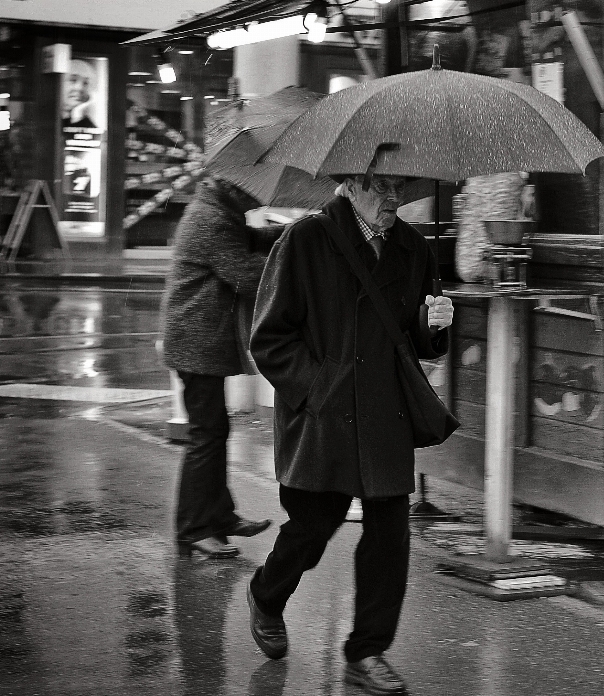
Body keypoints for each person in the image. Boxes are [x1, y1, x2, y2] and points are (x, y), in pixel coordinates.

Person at [245, 170, 454, 696]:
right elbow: (269, 338)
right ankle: (267, 595)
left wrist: (436, 327)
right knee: (315, 521)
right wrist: (316, 388)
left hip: (384, 410)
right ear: (350, 184)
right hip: (325, 412)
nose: (394, 197)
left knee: (390, 534)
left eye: (400, 186)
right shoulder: (305, 241)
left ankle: (367, 652)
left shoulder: (412, 248)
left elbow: (419, 341)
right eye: (381, 185)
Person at [161, 176, 278, 559]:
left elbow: (253, 239)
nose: (255, 199)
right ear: (233, 188)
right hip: (195, 344)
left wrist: (298, 231)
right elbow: (246, 275)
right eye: (250, 193)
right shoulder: (210, 220)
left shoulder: (218, 214)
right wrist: (295, 260)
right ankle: (194, 529)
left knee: (213, 431)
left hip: (199, 343)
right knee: (205, 437)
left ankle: (220, 517)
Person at [61, 59, 98, 129]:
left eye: (85, 83)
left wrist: (78, 116)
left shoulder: (86, 123)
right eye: (73, 80)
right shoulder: (43, 118)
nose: (80, 88)